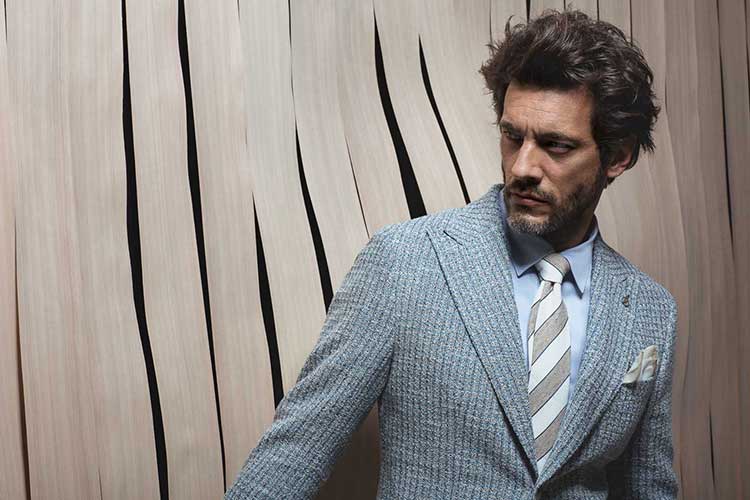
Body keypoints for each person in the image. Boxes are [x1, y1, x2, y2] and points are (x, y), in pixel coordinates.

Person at [225, 8, 678, 499]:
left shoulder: (652, 313)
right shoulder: (404, 263)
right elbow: (295, 451)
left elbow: (649, 488)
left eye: (556, 146)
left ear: (617, 157)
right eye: (512, 136)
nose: (523, 167)